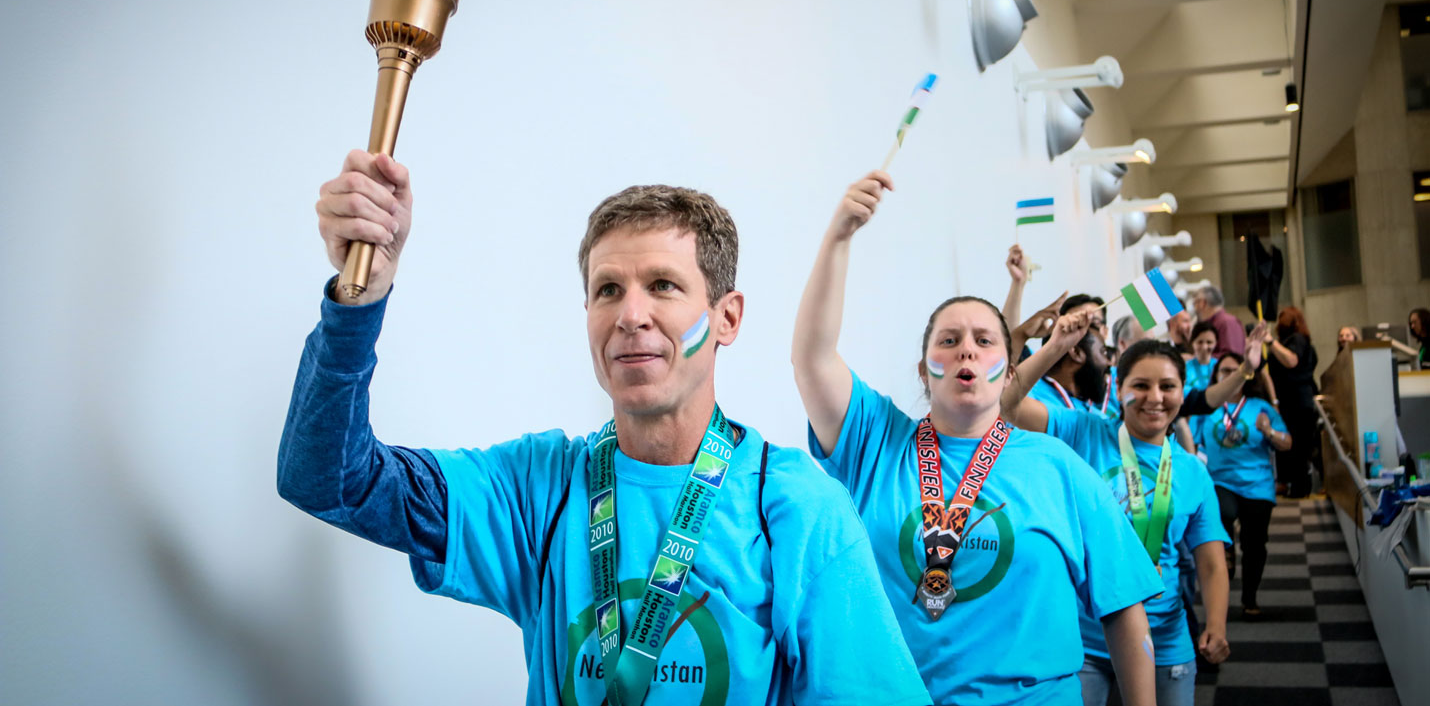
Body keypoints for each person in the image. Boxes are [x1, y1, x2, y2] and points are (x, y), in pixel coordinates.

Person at [278, 151, 932, 706]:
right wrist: (359, 294)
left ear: (726, 317)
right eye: (608, 289)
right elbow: (330, 478)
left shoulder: (796, 506)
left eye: (664, 285)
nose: (631, 314)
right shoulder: (536, 489)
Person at [792, 171, 1160, 706]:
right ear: (924, 371)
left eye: (985, 341)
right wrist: (839, 237)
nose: (966, 350)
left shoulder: (1057, 466)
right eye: (949, 340)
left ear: (1009, 372)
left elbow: (1124, 608)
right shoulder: (877, 442)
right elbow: (812, 357)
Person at [1004, 329, 1252, 706]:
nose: (1155, 398)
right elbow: (1004, 404)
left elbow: (1212, 562)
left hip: (1164, 637)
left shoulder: (1190, 472)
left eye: (1167, 386)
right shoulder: (1082, 431)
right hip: (1084, 639)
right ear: (1118, 389)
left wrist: (1217, 625)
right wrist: (1053, 346)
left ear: (1183, 393)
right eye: (1141, 385)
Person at [1192, 352, 1292, 618]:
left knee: (1255, 544)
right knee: (1223, 512)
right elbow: (1187, 440)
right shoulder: (1207, 408)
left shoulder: (1260, 406)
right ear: (1216, 377)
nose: (1229, 376)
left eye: (1234, 371)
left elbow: (1287, 443)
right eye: (1223, 372)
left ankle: (1250, 597)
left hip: (1257, 485)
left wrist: (1269, 431)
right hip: (1219, 481)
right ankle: (1226, 550)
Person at [1267, 307, 1320, 498]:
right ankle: (1294, 485)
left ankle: (1299, 488)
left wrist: (1270, 342)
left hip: (1296, 402)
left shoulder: (1296, 341)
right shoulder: (1300, 343)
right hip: (1295, 401)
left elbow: (1291, 360)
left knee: (1297, 446)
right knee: (1295, 446)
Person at [1191, 286, 1244, 359]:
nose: (1194, 309)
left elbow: (1232, 357)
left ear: (1202, 303)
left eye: (1195, 303)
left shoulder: (1227, 322)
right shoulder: (1217, 323)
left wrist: (1199, 358)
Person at [1184, 322, 1218, 395]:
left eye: (1209, 342)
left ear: (1216, 343)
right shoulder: (1184, 368)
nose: (1204, 347)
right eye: (1200, 342)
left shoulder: (1219, 366)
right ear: (1192, 342)